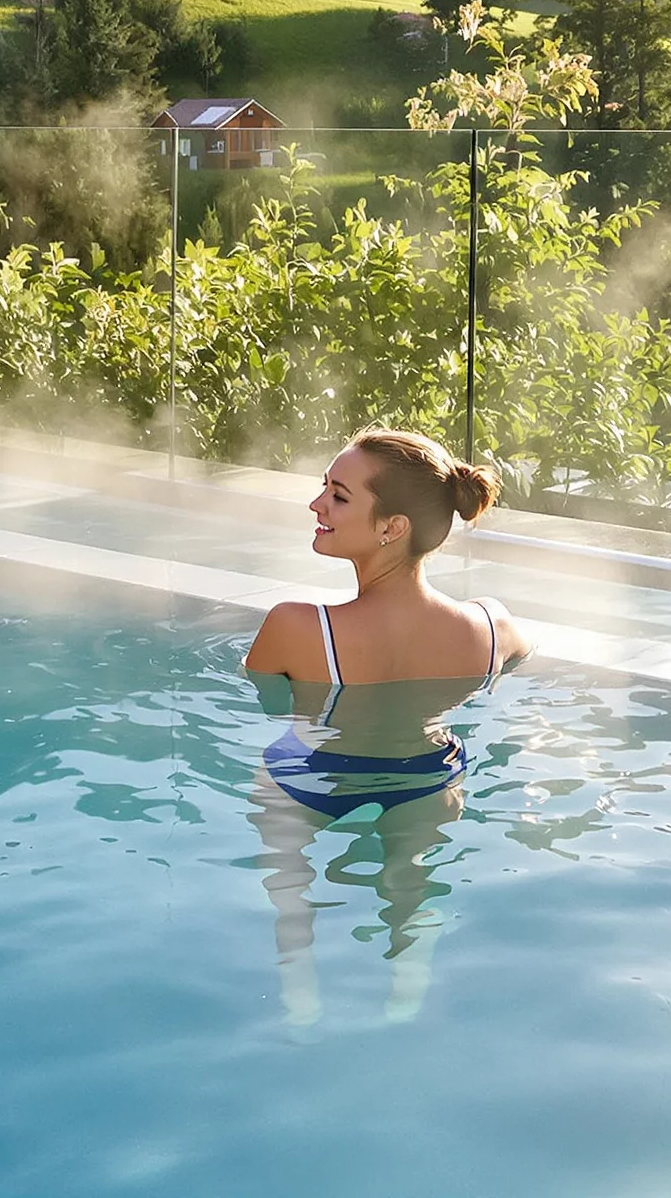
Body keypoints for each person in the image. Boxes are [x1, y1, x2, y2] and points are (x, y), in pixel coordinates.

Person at [243, 429, 529, 1025]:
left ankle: (299, 995)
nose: (317, 504)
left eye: (339, 495)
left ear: (391, 527)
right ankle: (407, 991)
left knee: (289, 888)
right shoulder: (489, 625)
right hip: (427, 776)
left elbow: (274, 705)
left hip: (313, 777)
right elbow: (520, 657)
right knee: (412, 886)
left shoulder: (296, 626)